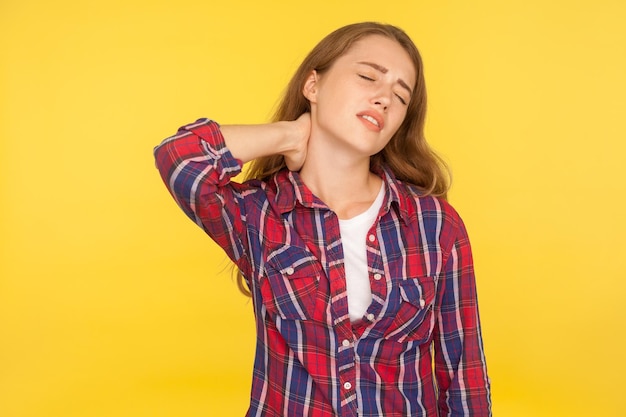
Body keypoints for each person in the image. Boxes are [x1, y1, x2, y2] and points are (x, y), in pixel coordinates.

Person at [154, 22, 491, 417]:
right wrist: (287, 135)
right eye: (368, 76)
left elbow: (465, 383)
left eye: (401, 96)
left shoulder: (436, 226)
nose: (384, 98)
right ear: (312, 86)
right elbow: (180, 158)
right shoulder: (260, 214)